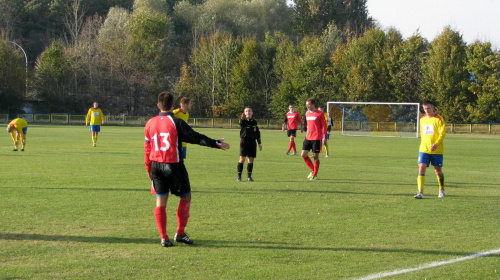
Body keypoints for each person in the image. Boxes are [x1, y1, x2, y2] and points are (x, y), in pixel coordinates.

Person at [144, 91, 230, 247]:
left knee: (160, 201)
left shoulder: (149, 123)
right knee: (186, 197)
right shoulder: (176, 123)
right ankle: (180, 233)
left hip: (156, 165)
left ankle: (164, 237)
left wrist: (149, 169)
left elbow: (147, 148)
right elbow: (195, 137)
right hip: (174, 164)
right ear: (172, 105)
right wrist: (216, 143)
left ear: (158, 105)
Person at [414, 101, 446, 199]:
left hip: (437, 150)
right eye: (425, 109)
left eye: (428, 108)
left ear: (433, 108)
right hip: (424, 149)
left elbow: (442, 133)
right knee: (421, 167)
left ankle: (441, 189)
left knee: (438, 171)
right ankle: (420, 192)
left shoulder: (439, 119)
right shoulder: (422, 119)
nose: (426, 110)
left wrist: (436, 144)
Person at [301, 98, 327, 180]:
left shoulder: (320, 113)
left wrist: (324, 137)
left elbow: (324, 126)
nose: (307, 106)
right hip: (308, 137)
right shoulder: (307, 113)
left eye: (309, 105)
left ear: (313, 104)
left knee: (316, 157)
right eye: (306, 105)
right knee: (303, 154)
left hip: (316, 138)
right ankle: (313, 170)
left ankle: (315, 174)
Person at [237, 107, 262, 182]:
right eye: (246, 111)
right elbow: (241, 123)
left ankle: (249, 177)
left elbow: (257, 133)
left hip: (252, 143)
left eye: (249, 111)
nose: (248, 112)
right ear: (244, 113)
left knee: (251, 159)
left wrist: (259, 143)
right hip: (244, 142)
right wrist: (242, 119)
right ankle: (239, 177)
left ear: (252, 113)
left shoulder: (254, 122)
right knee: (242, 159)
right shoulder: (243, 121)